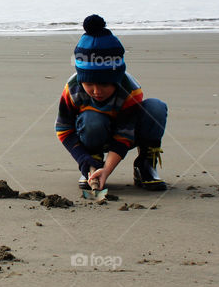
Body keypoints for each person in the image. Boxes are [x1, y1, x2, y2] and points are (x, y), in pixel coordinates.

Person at [55, 14, 168, 195]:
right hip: (91, 132)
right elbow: (64, 129)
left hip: (126, 135)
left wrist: (107, 170)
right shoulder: (73, 89)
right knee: (92, 119)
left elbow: (124, 135)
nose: (97, 91)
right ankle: (92, 163)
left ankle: (145, 166)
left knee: (156, 107)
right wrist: (84, 159)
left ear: (116, 78)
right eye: (89, 84)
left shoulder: (130, 89)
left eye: (105, 84)